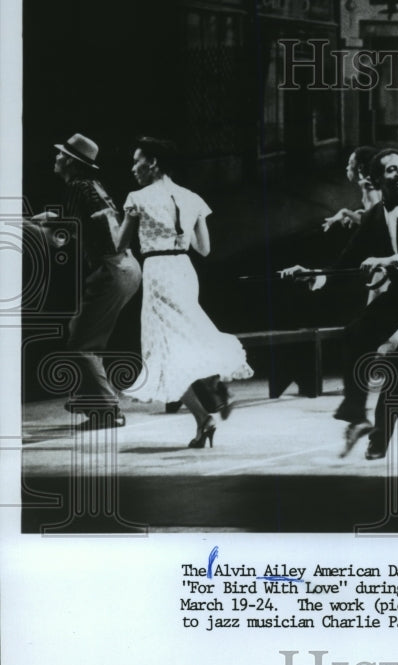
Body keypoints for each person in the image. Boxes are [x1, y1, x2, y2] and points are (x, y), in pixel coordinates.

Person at [282, 149, 398, 460]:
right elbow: (345, 262)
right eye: (391, 170)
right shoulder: (375, 216)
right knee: (355, 334)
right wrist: (310, 274)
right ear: (378, 179)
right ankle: (354, 412)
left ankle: (380, 435)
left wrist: (393, 259)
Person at [96, 137, 252, 448]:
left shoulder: (138, 198)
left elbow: (121, 245)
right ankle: (212, 386)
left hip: (158, 271)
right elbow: (205, 250)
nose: (133, 167)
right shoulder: (191, 197)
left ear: (152, 163)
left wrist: (110, 219)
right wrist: (178, 233)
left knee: (164, 350)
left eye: (137, 160)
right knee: (189, 333)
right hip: (184, 270)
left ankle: (204, 417)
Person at [31, 133, 141, 426]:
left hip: (112, 270)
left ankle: (107, 411)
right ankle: (98, 407)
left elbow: (61, 237)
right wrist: (44, 219)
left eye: (60, 154)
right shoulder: (90, 186)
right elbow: (76, 219)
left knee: (81, 341)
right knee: (86, 337)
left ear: (71, 162)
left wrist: (30, 231)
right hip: (127, 267)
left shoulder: (78, 187)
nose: (55, 158)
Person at [322, 146, 380, 232]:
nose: (347, 168)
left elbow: (376, 222)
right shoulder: (371, 184)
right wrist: (359, 213)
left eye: (350, 163)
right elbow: (374, 213)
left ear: (360, 168)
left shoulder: (370, 189)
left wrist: (345, 212)